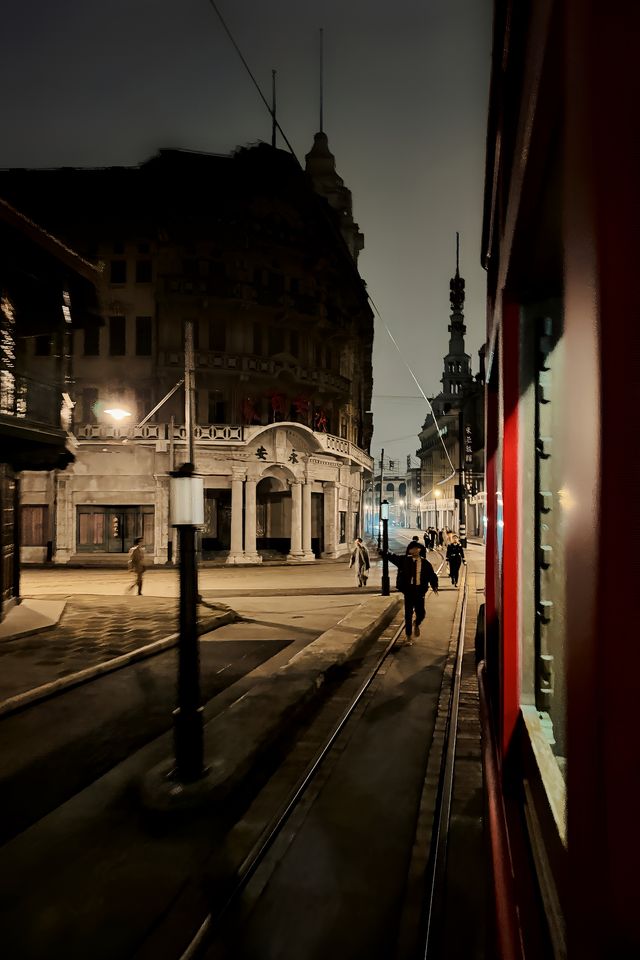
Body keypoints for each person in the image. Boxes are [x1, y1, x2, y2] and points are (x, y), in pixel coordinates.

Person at [386, 541, 439, 644]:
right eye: (412, 548)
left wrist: (434, 584)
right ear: (409, 550)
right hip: (409, 591)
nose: (414, 550)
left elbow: (431, 575)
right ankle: (408, 636)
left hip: (420, 591)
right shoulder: (404, 560)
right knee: (408, 614)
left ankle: (417, 623)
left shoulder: (425, 563)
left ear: (419, 550)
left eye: (416, 548)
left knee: (421, 613)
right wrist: (383, 552)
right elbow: (393, 558)